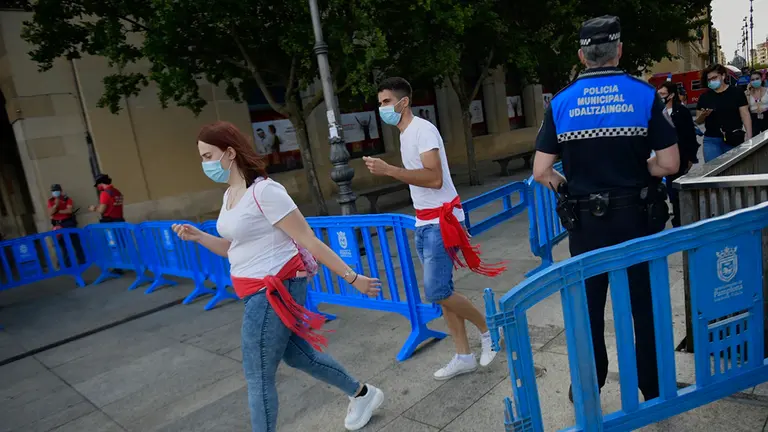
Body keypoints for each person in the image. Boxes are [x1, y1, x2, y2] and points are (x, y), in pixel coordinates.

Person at [172, 121, 384, 432]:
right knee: (300, 357)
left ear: (229, 153)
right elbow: (234, 249)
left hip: (273, 292)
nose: (204, 164)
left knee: (257, 374)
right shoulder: (229, 194)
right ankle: (363, 394)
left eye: (207, 156)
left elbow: (309, 240)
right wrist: (199, 237)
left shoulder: (266, 191)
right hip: (256, 291)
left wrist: (353, 278)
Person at [533, 15, 680, 403]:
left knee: (588, 306)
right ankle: (652, 386)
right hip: (636, 218)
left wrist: (570, 187)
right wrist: (640, 170)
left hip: (586, 225)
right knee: (643, 304)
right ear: (619, 50)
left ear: (582, 56)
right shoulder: (644, 94)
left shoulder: (561, 102)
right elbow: (669, 164)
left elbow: (541, 170)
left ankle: (588, 385)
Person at [365, 77, 504, 381]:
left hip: (442, 221)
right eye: (379, 103)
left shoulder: (423, 130)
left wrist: (389, 170)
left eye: (386, 102)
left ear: (404, 103)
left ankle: (488, 329)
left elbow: (435, 178)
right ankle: (464, 355)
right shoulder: (405, 135)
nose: (382, 108)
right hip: (424, 221)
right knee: (443, 293)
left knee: (437, 290)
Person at [657, 82, 699, 227]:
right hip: (661, 157)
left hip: (680, 156)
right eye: (659, 94)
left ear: (672, 95)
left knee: (678, 190)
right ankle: (675, 218)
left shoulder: (682, 112)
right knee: (670, 190)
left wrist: (691, 157)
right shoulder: (656, 112)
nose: (659, 97)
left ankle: (682, 220)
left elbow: (690, 136)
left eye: (662, 94)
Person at [695, 64, 752, 162]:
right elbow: (698, 121)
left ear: (723, 76)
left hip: (734, 138)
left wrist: (749, 137)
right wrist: (703, 115)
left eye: (714, 77)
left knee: (733, 171)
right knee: (713, 171)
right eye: (709, 79)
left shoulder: (736, 92)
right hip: (711, 140)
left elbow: (745, 114)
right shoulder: (704, 97)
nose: (711, 81)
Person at [47, 184, 85, 266]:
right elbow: (50, 213)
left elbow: (69, 211)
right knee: (63, 245)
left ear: (60, 191)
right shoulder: (50, 201)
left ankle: (82, 260)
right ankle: (66, 264)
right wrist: (56, 205)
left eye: (56, 190)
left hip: (68, 222)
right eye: (53, 191)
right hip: (57, 224)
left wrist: (57, 211)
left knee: (75, 242)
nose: (55, 192)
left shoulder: (67, 199)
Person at [746, 70, 768, 136]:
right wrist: (748, 93)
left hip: (766, 116)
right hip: (754, 118)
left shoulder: (767, 90)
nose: (755, 81)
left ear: (761, 79)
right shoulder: (747, 93)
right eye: (752, 79)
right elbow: (746, 108)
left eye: (757, 78)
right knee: (754, 139)